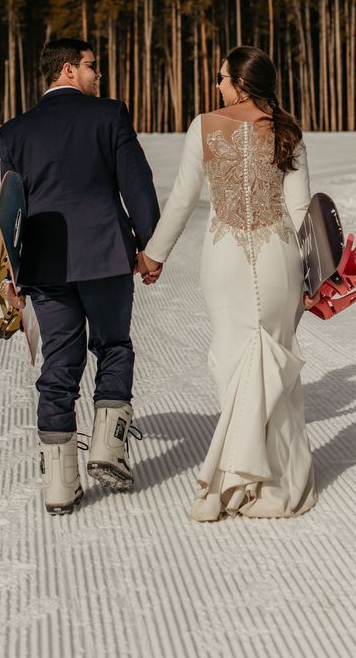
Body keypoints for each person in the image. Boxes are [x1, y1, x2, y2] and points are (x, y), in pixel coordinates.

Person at [139, 46, 317, 522]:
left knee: (232, 362)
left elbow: (181, 199)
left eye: (221, 78)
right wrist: (312, 273)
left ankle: (238, 478)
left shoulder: (203, 125)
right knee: (275, 357)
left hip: (225, 258)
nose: (217, 86)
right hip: (278, 256)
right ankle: (277, 480)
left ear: (240, 81)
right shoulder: (288, 131)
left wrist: (154, 254)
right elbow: (300, 211)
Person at [0, 37, 160, 515]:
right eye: (93, 67)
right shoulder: (108, 115)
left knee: (59, 366)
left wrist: (13, 273)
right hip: (106, 255)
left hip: (44, 266)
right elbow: (137, 182)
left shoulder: (14, 131)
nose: (99, 75)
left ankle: (59, 484)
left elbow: (11, 211)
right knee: (113, 346)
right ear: (68, 69)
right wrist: (150, 246)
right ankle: (108, 450)